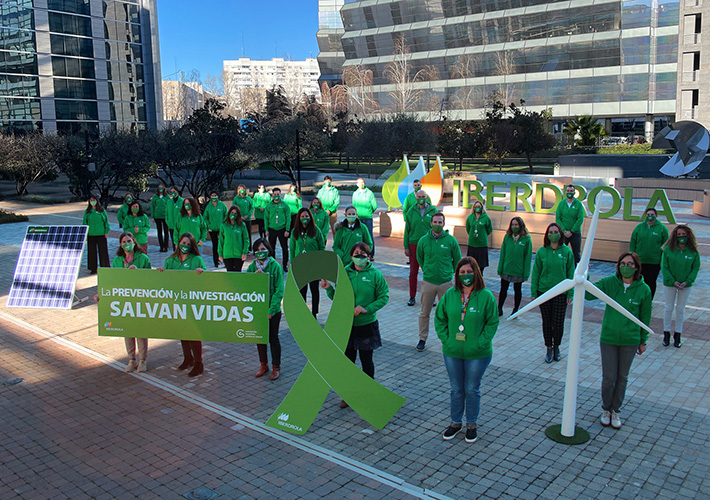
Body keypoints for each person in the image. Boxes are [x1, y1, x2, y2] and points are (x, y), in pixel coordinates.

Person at [435, 257, 499, 443]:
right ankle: (455, 422)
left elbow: (492, 322)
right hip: (452, 351)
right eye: (462, 273)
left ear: (476, 273)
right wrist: (446, 339)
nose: (466, 276)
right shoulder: (450, 295)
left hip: (478, 354)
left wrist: (481, 342)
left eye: (469, 272)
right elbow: (440, 318)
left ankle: (471, 423)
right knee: (456, 389)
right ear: (457, 275)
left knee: (471, 388)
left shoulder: (486, 296)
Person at [586, 252, 651, 429]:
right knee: (609, 378)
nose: (626, 267)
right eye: (622, 263)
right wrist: (585, 275)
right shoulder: (609, 283)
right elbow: (589, 294)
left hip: (630, 340)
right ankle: (606, 409)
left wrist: (643, 340)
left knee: (622, 377)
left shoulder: (643, 289)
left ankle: (616, 411)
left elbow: (645, 317)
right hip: (609, 337)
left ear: (636, 267)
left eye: (630, 264)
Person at [321, 242, 389, 408]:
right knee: (348, 361)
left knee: (367, 361)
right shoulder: (344, 273)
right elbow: (337, 298)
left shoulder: (375, 275)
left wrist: (367, 309)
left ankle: (368, 392)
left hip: (367, 324)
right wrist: (329, 288)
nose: (359, 256)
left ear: (368, 255)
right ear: (351, 256)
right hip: (347, 325)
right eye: (356, 253)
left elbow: (384, 296)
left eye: (363, 253)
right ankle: (348, 395)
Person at [159, 233, 206, 377]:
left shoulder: (197, 260)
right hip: (176, 302)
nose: (185, 246)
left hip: (191, 302)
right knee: (181, 331)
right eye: (183, 243)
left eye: (188, 244)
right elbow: (164, 281)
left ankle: (199, 362)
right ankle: (188, 358)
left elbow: (206, 280)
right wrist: (161, 273)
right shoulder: (171, 260)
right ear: (178, 243)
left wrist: (201, 274)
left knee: (192, 332)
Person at [416, 212, 462, 352]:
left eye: (440, 222)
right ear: (431, 223)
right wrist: (428, 270)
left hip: (445, 283)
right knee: (425, 313)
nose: (437, 225)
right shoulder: (423, 240)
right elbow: (420, 258)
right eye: (435, 222)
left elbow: (457, 260)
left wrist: (450, 275)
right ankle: (422, 339)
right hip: (429, 282)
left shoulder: (451, 241)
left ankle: (448, 339)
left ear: (443, 223)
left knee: (449, 313)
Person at [531, 223, 575, 363]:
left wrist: (570, 293)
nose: (553, 234)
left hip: (561, 293)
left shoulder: (567, 252)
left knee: (558, 322)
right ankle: (548, 348)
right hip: (544, 291)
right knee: (547, 322)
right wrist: (534, 292)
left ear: (560, 233)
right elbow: (536, 272)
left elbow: (571, 273)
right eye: (550, 232)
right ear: (547, 235)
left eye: (556, 231)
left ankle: (557, 347)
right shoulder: (542, 252)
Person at [113, 232, 152, 373]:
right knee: (128, 330)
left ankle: (142, 360)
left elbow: (149, 279)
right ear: (120, 244)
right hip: (124, 300)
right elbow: (112, 280)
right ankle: (131, 359)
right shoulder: (118, 261)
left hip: (139, 298)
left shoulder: (143, 258)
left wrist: (138, 273)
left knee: (140, 330)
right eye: (124, 241)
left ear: (134, 242)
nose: (126, 243)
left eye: (129, 241)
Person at [247, 238, 284, 381]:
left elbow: (278, 291)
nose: (260, 252)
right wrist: (254, 281)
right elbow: (245, 287)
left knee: (273, 338)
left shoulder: (275, 266)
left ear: (268, 250)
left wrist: (271, 309)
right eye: (257, 250)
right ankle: (263, 364)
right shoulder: (251, 268)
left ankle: (276, 366)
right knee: (260, 338)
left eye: (263, 249)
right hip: (258, 310)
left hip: (272, 311)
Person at [661, 225, 700, 348]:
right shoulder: (668, 249)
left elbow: (695, 268)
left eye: (683, 234)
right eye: (678, 235)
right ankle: (666, 333)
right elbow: (664, 267)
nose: (681, 237)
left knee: (680, 309)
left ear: (688, 235)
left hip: (685, 285)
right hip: (670, 284)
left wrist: (687, 281)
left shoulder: (693, 251)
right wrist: (672, 281)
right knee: (668, 308)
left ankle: (678, 334)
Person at [403, 189, 437, 306]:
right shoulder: (411, 212)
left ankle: (430, 297)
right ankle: (412, 296)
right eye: (419, 197)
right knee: (413, 272)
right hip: (414, 244)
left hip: (428, 244)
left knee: (429, 271)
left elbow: (437, 228)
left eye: (423, 196)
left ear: (426, 197)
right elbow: (407, 230)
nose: (421, 198)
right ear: (416, 198)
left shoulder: (433, 211)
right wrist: (406, 246)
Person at [290, 207, 325, 316]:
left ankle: (314, 313)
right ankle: (303, 313)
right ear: (298, 218)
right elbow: (292, 248)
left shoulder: (316, 230)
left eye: (306, 216)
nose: (305, 218)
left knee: (314, 291)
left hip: (313, 265)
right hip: (300, 266)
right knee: (302, 291)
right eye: (302, 216)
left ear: (310, 217)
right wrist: (292, 264)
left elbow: (322, 247)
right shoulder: (294, 232)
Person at [630, 207, 669, 299]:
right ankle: (639, 298)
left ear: (656, 216)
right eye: (648, 215)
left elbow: (666, 246)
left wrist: (662, 261)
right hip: (640, 260)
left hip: (654, 262)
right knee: (639, 281)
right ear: (645, 215)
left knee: (651, 282)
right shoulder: (639, 227)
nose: (650, 216)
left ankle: (648, 300)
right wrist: (632, 256)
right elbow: (633, 242)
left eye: (652, 215)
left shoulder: (662, 228)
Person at [497, 217, 533, 317]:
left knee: (517, 290)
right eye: (513, 225)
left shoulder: (526, 239)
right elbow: (503, 253)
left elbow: (528, 257)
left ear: (521, 226)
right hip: (506, 268)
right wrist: (500, 268)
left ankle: (515, 310)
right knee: (503, 289)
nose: (514, 227)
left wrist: (526, 273)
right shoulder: (507, 237)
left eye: (516, 225)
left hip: (518, 270)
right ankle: (499, 308)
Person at [555, 184, 586, 265]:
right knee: (561, 253)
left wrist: (572, 231)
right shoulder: (561, 203)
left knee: (576, 255)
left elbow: (580, 219)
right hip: (563, 233)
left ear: (574, 192)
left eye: (571, 191)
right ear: (565, 192)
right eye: (568, 191)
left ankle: (576, 273)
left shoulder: (578, 204)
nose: (570, 192)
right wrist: (564, 231)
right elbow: (558, 218)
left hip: (575, 234)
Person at [82, 195, 110, 274]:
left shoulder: (101, 210)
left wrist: (106, 231)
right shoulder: (87, 211)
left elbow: (106, 222)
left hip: (101, 234)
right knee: (91, 252)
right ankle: (93, 268)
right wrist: (86, 235)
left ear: (97, 201)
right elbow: (85, 223)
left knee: (103, 252)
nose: (92, 201)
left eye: (94, 200)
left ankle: (105, 267)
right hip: (91, 235)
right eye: (91, 200)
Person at [265, 187, 291, 271]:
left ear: (280, 195)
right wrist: (266, 230)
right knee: (271, 248)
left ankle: (285, 264)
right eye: (275, 194)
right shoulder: (269, 206)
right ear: (272, 195)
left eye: (278, 194)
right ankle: (273, 264)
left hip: (282, 229)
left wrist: (287, 230)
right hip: (272, 228)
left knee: (284, 248)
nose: (276, 196)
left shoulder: (284, 205)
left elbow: (288, 217)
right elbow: (266, 218)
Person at [351, 178, 378, 257]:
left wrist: (369, 212)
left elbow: (374, 205)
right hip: (358, 218)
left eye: (362, 182)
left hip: (367, 218)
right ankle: (360, 253)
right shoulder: (355, 193)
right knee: (359, 235)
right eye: (359, 183)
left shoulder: (369, 193)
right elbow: (354, 205)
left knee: (369, 235)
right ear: (356, 184)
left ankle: (371, 254)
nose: (360, 184)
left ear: (365, 183)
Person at [218, 206, 249, 272]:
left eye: (235, 213)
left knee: (237, 273)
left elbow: (246, 240)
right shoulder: (223, 226)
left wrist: (244, 252)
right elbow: (221, 241)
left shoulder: (242, 225)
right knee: (230, 274)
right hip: (227, 255)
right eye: (232, 212)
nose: (233, 215)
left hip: (239, 255)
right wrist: (220, 254)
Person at [465, 200, 493, 272]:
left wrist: (482, 235)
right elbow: (468, 228)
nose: (477, 208)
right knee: (471, 265)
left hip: (482, 245)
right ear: (473, 208)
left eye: (479, 206)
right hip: (472, 244)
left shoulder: (486, 218)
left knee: (481, 266)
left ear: (482, 207)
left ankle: (480, 280)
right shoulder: (470, 217)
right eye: (476, 206)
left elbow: (489, 229)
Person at [204, 190, 228, 267]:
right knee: (215, 245)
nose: (213, 197)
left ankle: (224, 260)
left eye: (215, 195)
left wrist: (223, 223)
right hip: (212, 229)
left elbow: (226, 214)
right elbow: (205, 217)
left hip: (221, 229)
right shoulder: (208, 206)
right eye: (212, 195)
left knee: (223, 244)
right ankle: (216, 261)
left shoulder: (222, 205)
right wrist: (209, 225)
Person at [233, 185, 254, 251]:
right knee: (239, 234)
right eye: (240, 189)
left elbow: (251, 208)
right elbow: (234, 208)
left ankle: (249, 248)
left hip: (247, 219)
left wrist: (247, 215)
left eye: (243, 189)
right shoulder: (236, 198)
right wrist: (239, 216)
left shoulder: (248, 198)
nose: (242, 190)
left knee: (247, 234)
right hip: (239, 219)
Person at [150, 184, 170, 252]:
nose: (160, 189)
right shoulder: (155, 196)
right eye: (159, 188)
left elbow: (169, 207)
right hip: (157, 216)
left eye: (162, 188)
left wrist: (169, 216)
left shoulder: (167, 196)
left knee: (166, 231)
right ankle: (161, 246)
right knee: (159, 231)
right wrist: (152, 216)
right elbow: (153, 206)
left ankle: (166, 246)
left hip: (165, 216)